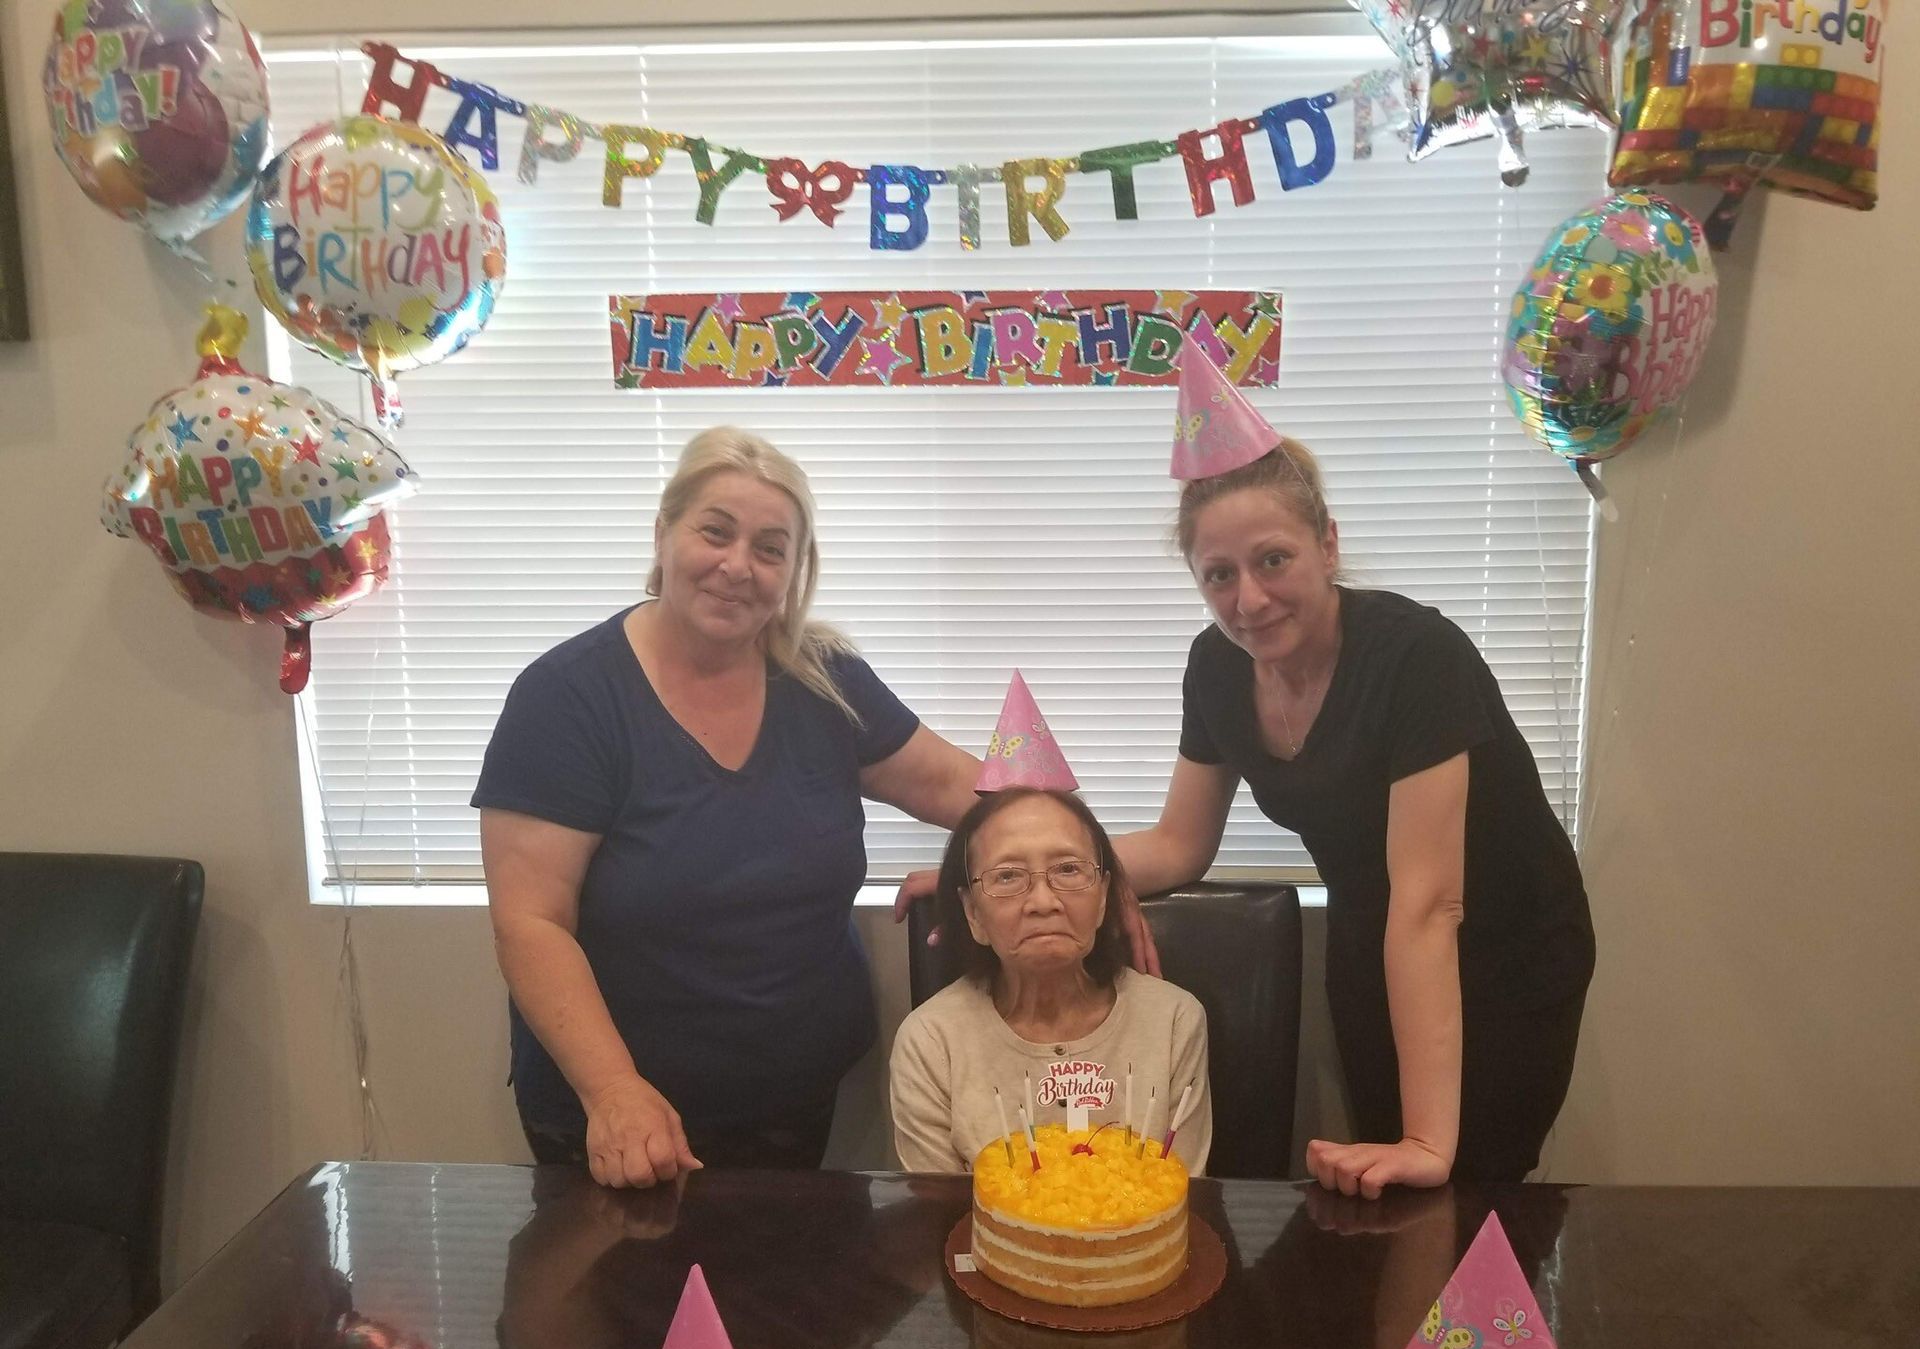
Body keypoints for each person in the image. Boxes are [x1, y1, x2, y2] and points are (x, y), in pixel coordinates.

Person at [1113, 354, 1594, 1195]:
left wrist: (1428, 1139)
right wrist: (1008, 871)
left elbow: (1431, 902)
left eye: (1272, 560)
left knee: (1468, 1182)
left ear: (1327, 544)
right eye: (1218, 575)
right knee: (1384, 1187)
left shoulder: (1415, 656)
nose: (1248, 600)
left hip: (1507, 942)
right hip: (1377, 932)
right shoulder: (1217, 669)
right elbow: (1178, 844)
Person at [474, 426, 981, 1189]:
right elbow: (531, 922)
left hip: (793, 1100)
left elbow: (959, 787)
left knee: (774, 1308)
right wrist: (614, 1092)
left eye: (771, 548)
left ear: (794, 570)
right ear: (663, 533)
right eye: (715, 532)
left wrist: (1064, 870)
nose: (738, 566)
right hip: (618, 1116)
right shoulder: (567, 698)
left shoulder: (824, 680)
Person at [890, 786, 1211, 1173]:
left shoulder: (1174, 1022)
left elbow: (1182, 1196)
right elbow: (938, 1215)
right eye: (1007, 876)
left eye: (1068, 869)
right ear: (973, 912)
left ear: (1105, 897)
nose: (1043, 902)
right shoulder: (930, 1043)